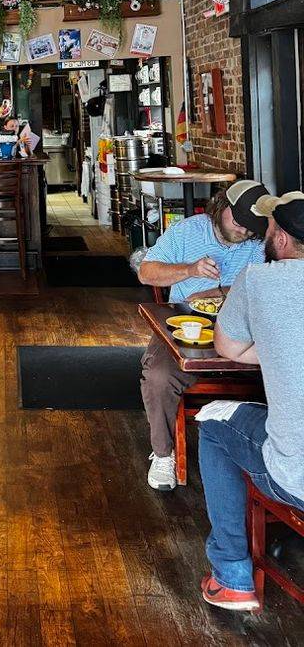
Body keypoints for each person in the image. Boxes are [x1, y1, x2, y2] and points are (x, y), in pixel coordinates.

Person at [196, 192, 304, 611]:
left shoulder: (259, 279)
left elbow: (230, 349)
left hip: (295, 477)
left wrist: (281, 347)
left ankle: (233, 576)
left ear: (279, 239)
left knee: (213, 424)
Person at [137, 180, 269, 491]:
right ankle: (163, 454)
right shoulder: (188, 231)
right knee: (158, 374)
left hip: (243, 328)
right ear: (222, 207)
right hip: (186, 322)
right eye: (238, 223)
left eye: (251, 229)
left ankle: (275, 450)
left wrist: (224, 290)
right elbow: (147, 272)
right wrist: (190, 270)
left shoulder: (260, 242)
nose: (243, 233)